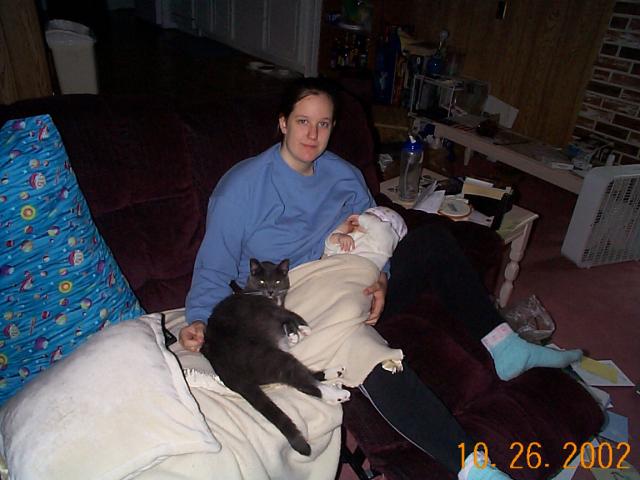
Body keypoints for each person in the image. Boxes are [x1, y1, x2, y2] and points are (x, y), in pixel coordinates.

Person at [181, 77, 582, 480]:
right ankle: (473, 470)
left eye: (323, 124)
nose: (313, 134)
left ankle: (506, 347)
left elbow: (379, 233)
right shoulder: (241, 188)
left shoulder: (343, 174)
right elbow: (213, 268)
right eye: (303, 121)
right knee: (365, 350)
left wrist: (383, 280)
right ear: (283, 122)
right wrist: (200, 318)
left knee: (433, 242)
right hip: (294, 298)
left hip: (355, 276)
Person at [323, 206, 407, 271]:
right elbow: (328, 248)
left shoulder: (382, 245)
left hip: (359, 272)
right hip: (332, 267)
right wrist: (338, 236)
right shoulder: (351, 234)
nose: (361, 220)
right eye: (365, 215)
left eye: (370, 218)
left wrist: (362, 219)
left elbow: (381, 230)